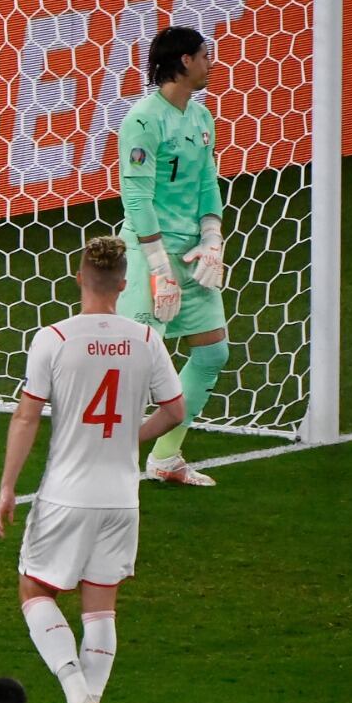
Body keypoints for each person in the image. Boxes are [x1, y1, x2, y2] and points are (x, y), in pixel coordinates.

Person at [0, 236, 186, 703]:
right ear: (123, 285)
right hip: (121, 498)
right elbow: (175, 411)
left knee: (35, 590)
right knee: (101, 608)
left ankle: (78, 698)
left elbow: (26, 417)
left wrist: (7, 488)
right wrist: (127, 442)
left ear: (79, 277)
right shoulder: (146, 340)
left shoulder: (54, 339)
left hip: (65, 495)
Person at [116, 25, 229, 486]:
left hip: (191, 256)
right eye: (204, 55)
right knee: (132, 364)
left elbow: (207, 182)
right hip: (150, 255)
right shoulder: (143, 121)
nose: (210, 63)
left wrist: (212, 236)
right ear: (183, 61)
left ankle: (165, 456)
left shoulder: (201, 118)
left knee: (212, 352)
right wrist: (159, 268)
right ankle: (100, 456)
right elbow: (137, 198)